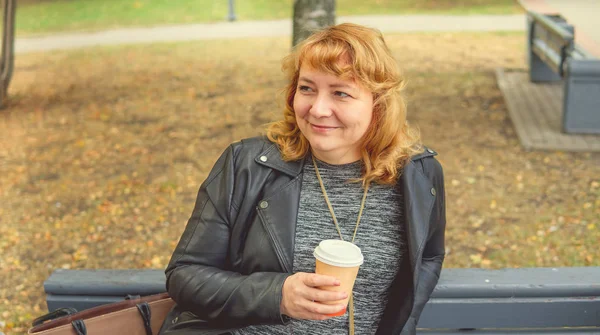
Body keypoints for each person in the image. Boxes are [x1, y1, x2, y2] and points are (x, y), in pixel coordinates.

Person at [159, 23, 446, 335]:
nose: (318, 109)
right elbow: (185, 275)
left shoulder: (417, 175)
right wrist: (276, 295)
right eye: (307, 88)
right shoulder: (248, 164)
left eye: (341, 93)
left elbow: (428, 257)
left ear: (379, 104)